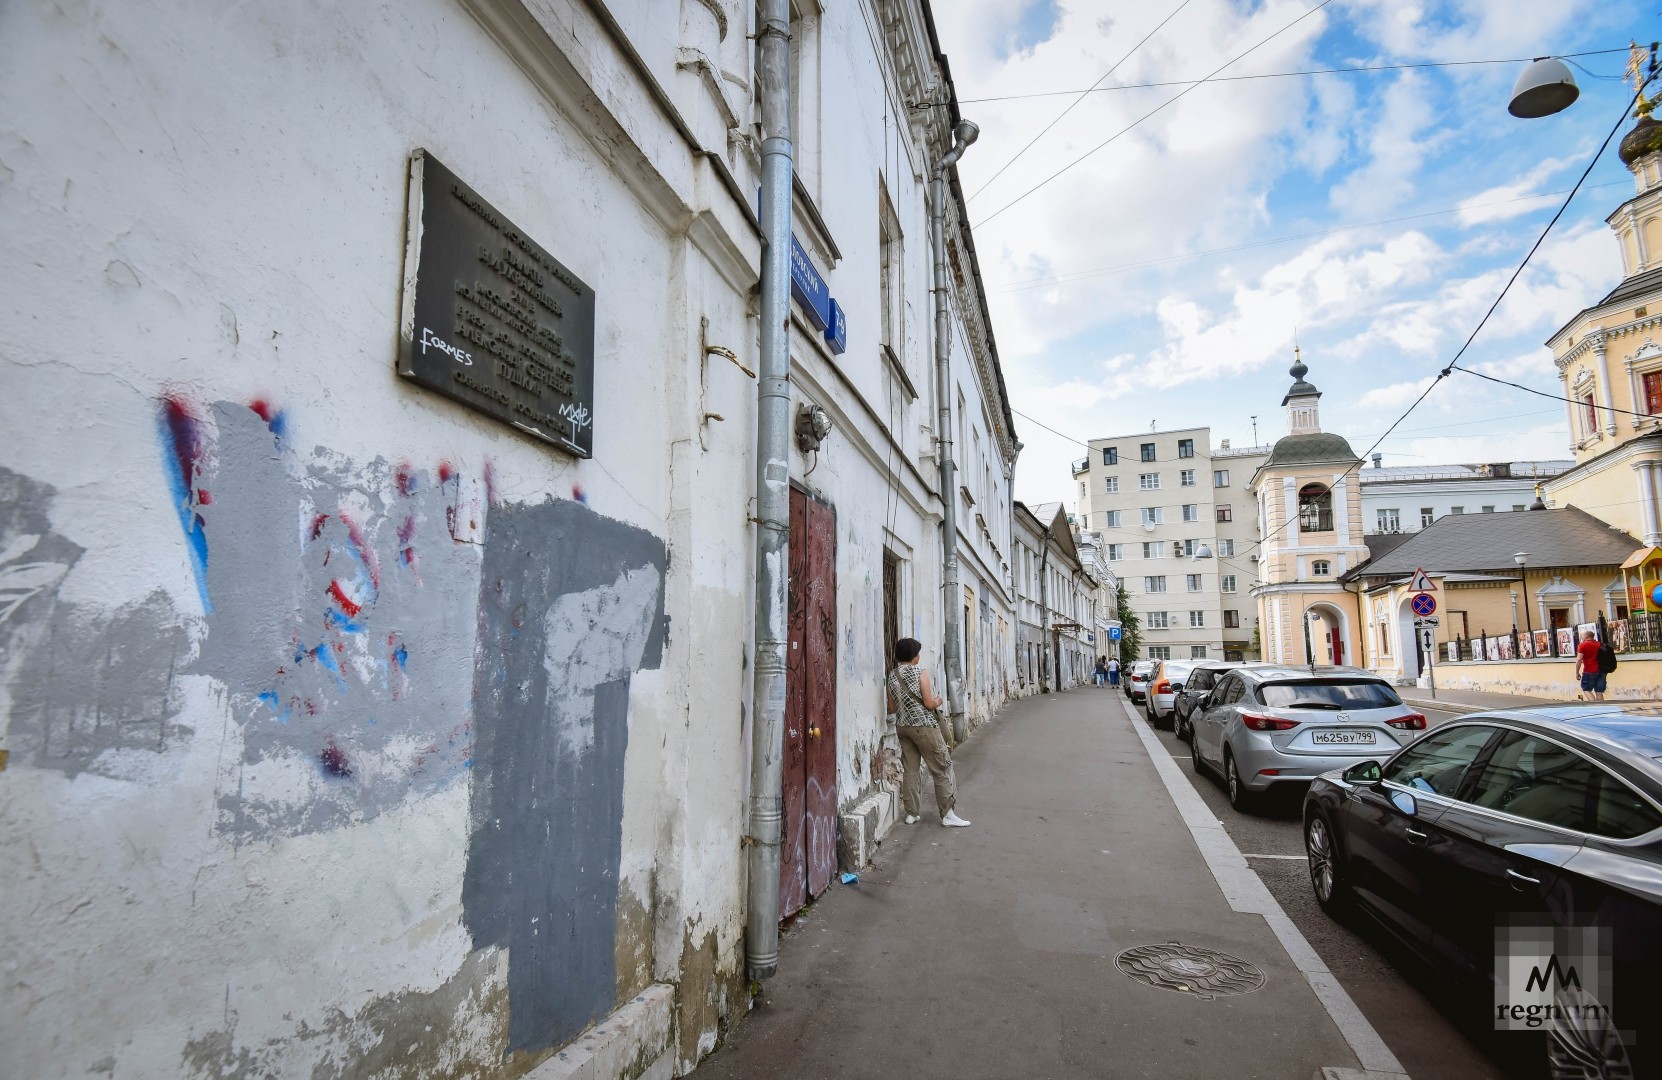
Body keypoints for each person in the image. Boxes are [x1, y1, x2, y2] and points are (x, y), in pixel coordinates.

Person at [885, 638, 971, 828]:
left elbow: (891, 707)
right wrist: (939, 700)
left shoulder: (892, 676)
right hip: (924, 727)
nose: (918, 656)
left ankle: (911, 813)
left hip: (903, 728)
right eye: (917, 653)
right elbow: (928, 703)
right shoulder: (920, 673)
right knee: (942, 767)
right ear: (913, 656)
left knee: (911, 770)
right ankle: (948, 813)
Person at [1575, 630, 1606, 701]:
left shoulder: (1582, 645)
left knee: (1586, 689)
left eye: (1582, 635)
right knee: (1599, 691)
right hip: (1601, 671)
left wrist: (1577, 672)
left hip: (1589, 671)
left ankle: (1595, 705)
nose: (1582, 637)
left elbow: (1579, 659)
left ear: (1586, 636)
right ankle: (1602, 708)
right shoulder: (1600, 644)